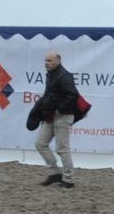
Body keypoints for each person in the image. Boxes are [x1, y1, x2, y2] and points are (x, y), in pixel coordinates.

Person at [28, 50, 81, 189]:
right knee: (40, 143)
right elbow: (49, 95)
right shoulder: (51, 75)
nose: (46, 63)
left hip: (63, 115)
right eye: (45, 60)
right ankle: (54, 173)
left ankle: (69, 179)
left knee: (62, 148)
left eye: (49, 60)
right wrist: (39, 109)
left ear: (58, 60)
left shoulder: (64, 76)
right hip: (50, 115)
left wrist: (60, 109)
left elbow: (73, 95)